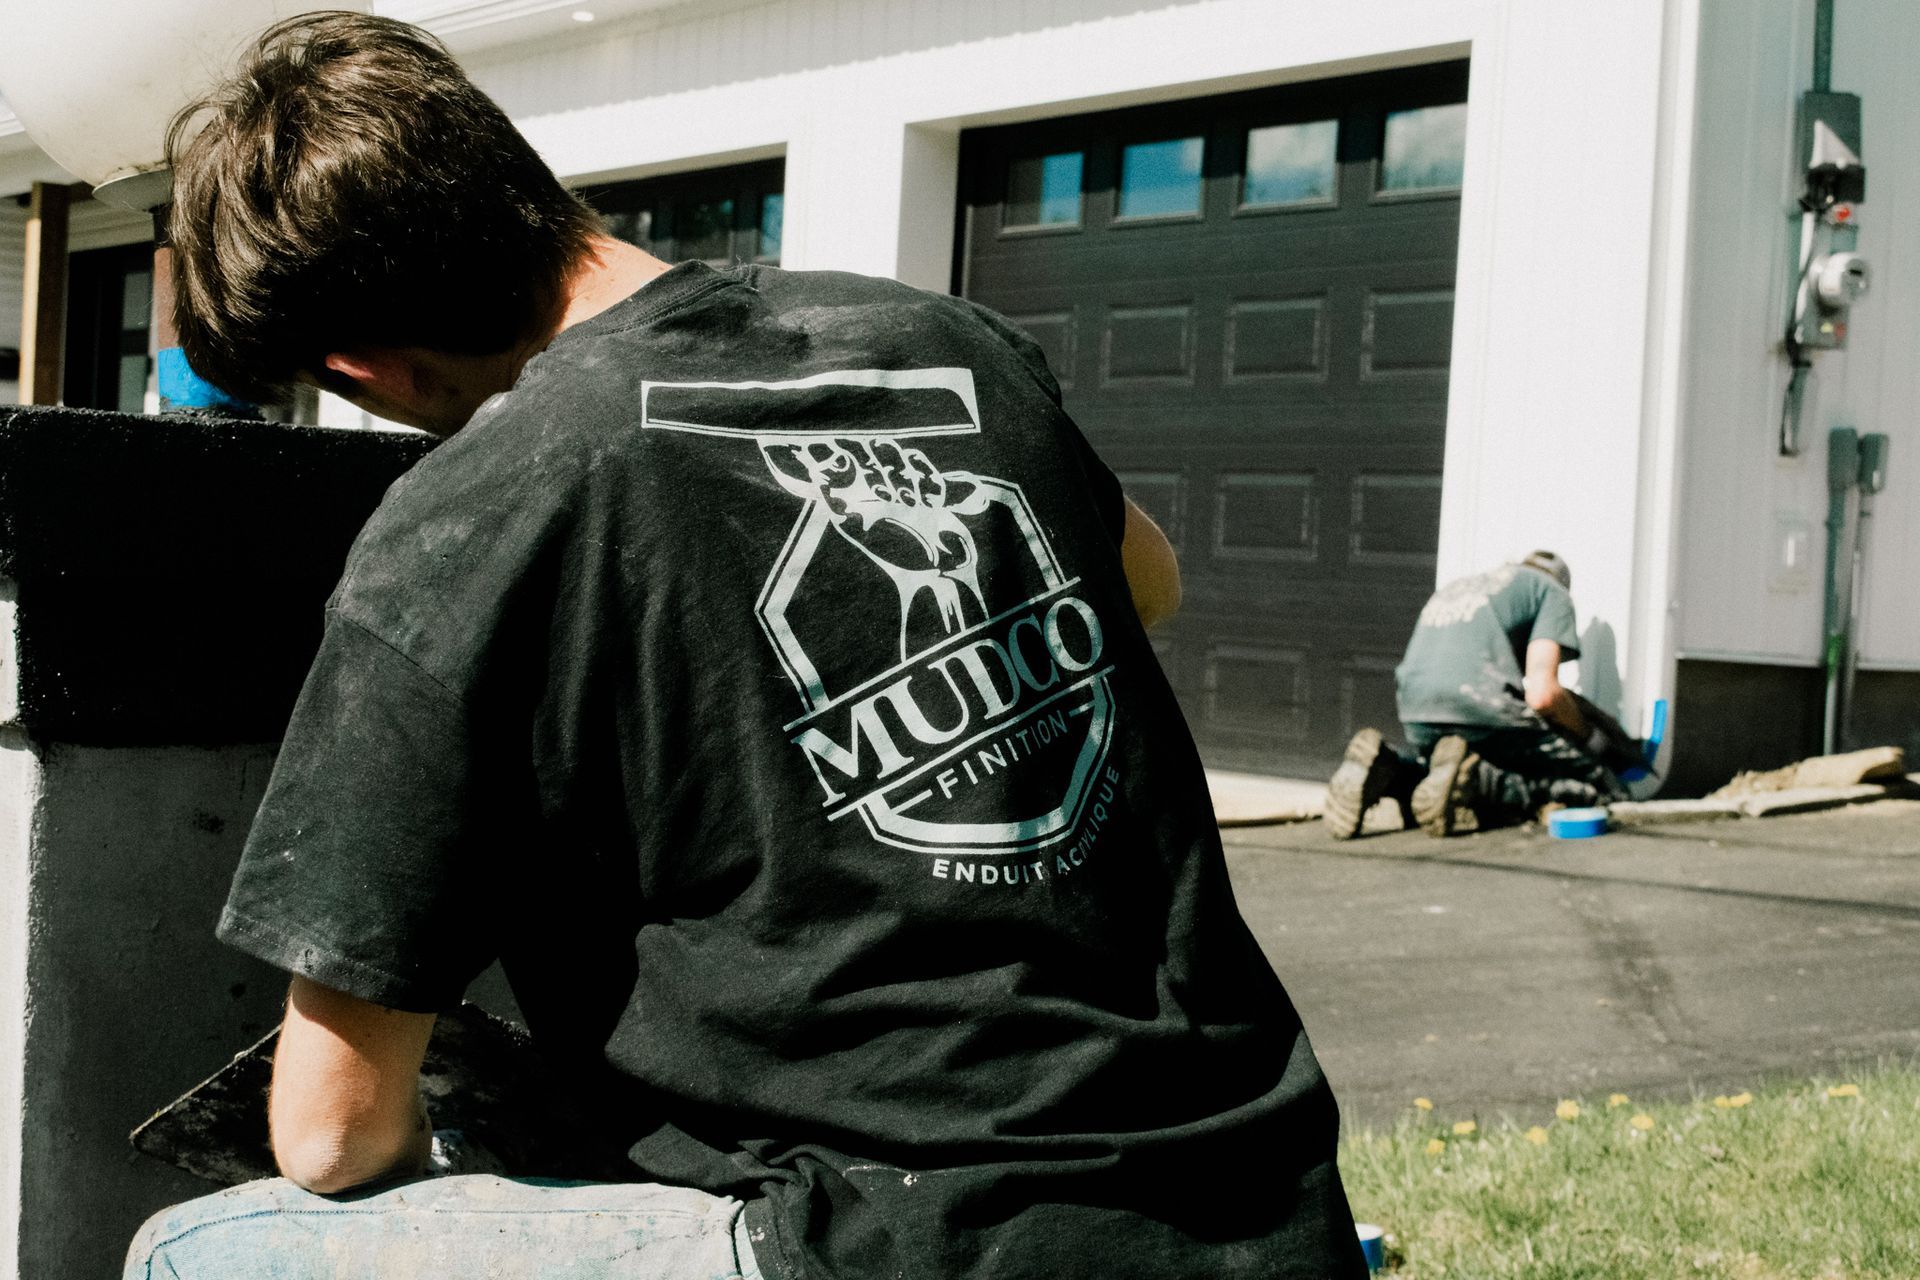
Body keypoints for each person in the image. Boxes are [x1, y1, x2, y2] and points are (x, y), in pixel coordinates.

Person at [125, 13, 1367, 1279]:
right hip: (1252, 1197)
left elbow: (331, 1132)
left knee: (202, 1249)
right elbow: (1150, 583)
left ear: (358, 364)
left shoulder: (471, 517)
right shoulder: (945, 342)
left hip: (894, 1242)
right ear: (515, 181)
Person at [1323, 552, 1635, 839]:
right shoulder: (1550, 590)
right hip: (1483, 706)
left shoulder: (1463, 586)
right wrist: (1592, 739)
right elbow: (1544, 695)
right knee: (1585, 784)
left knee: (1439, 771)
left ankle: (1388, 769)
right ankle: (1477, 785)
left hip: (1416, 708)